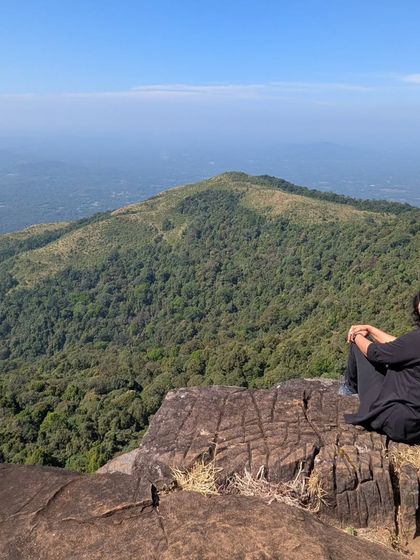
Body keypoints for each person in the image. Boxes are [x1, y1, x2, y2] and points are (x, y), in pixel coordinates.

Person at [340, 291, 420, 444]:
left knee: (358, 347)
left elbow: (374, 353)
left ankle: (350, 388)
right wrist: (370, 330)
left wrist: (356, 336)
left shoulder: (416, 341)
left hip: (400, 422)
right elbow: (400, 346)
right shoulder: (414, 342)